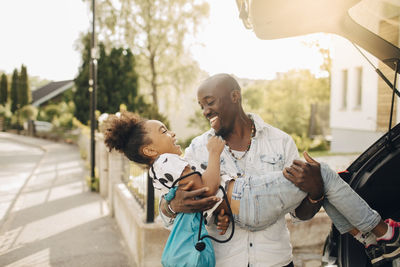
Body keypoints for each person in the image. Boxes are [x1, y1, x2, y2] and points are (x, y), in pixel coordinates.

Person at [159, 73, 400, 267]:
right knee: (326, 173)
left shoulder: (280, 141)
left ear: (235, 96)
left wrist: (315, 193)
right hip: (224, 262)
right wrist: (171, 206)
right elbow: (168, 212)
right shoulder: (198, 148)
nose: (205, 112)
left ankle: (371, 236)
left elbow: (300, 214)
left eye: (210, 102)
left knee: (322, 177)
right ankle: (379, 233)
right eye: (201, 106)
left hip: (276, 261)